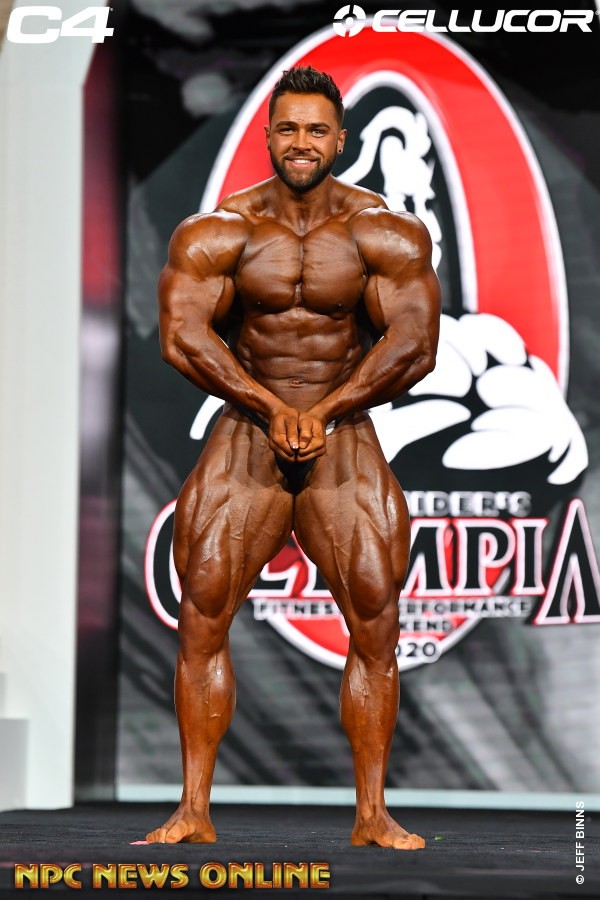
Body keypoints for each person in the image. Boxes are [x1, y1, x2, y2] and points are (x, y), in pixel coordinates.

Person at [146, 66, 441, 850]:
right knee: (203, 611)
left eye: (315, 130)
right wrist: (272, 407)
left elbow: (416, 345)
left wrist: (327, 409)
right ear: (268, 136)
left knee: (376, 619)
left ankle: (372, 814)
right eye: (287, 129)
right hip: (249, 426)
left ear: (340, 140)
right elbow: (182, 335)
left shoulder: (384, 232)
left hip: (344, 432)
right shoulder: (220, 232)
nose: (301, 142)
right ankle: (193, 808)